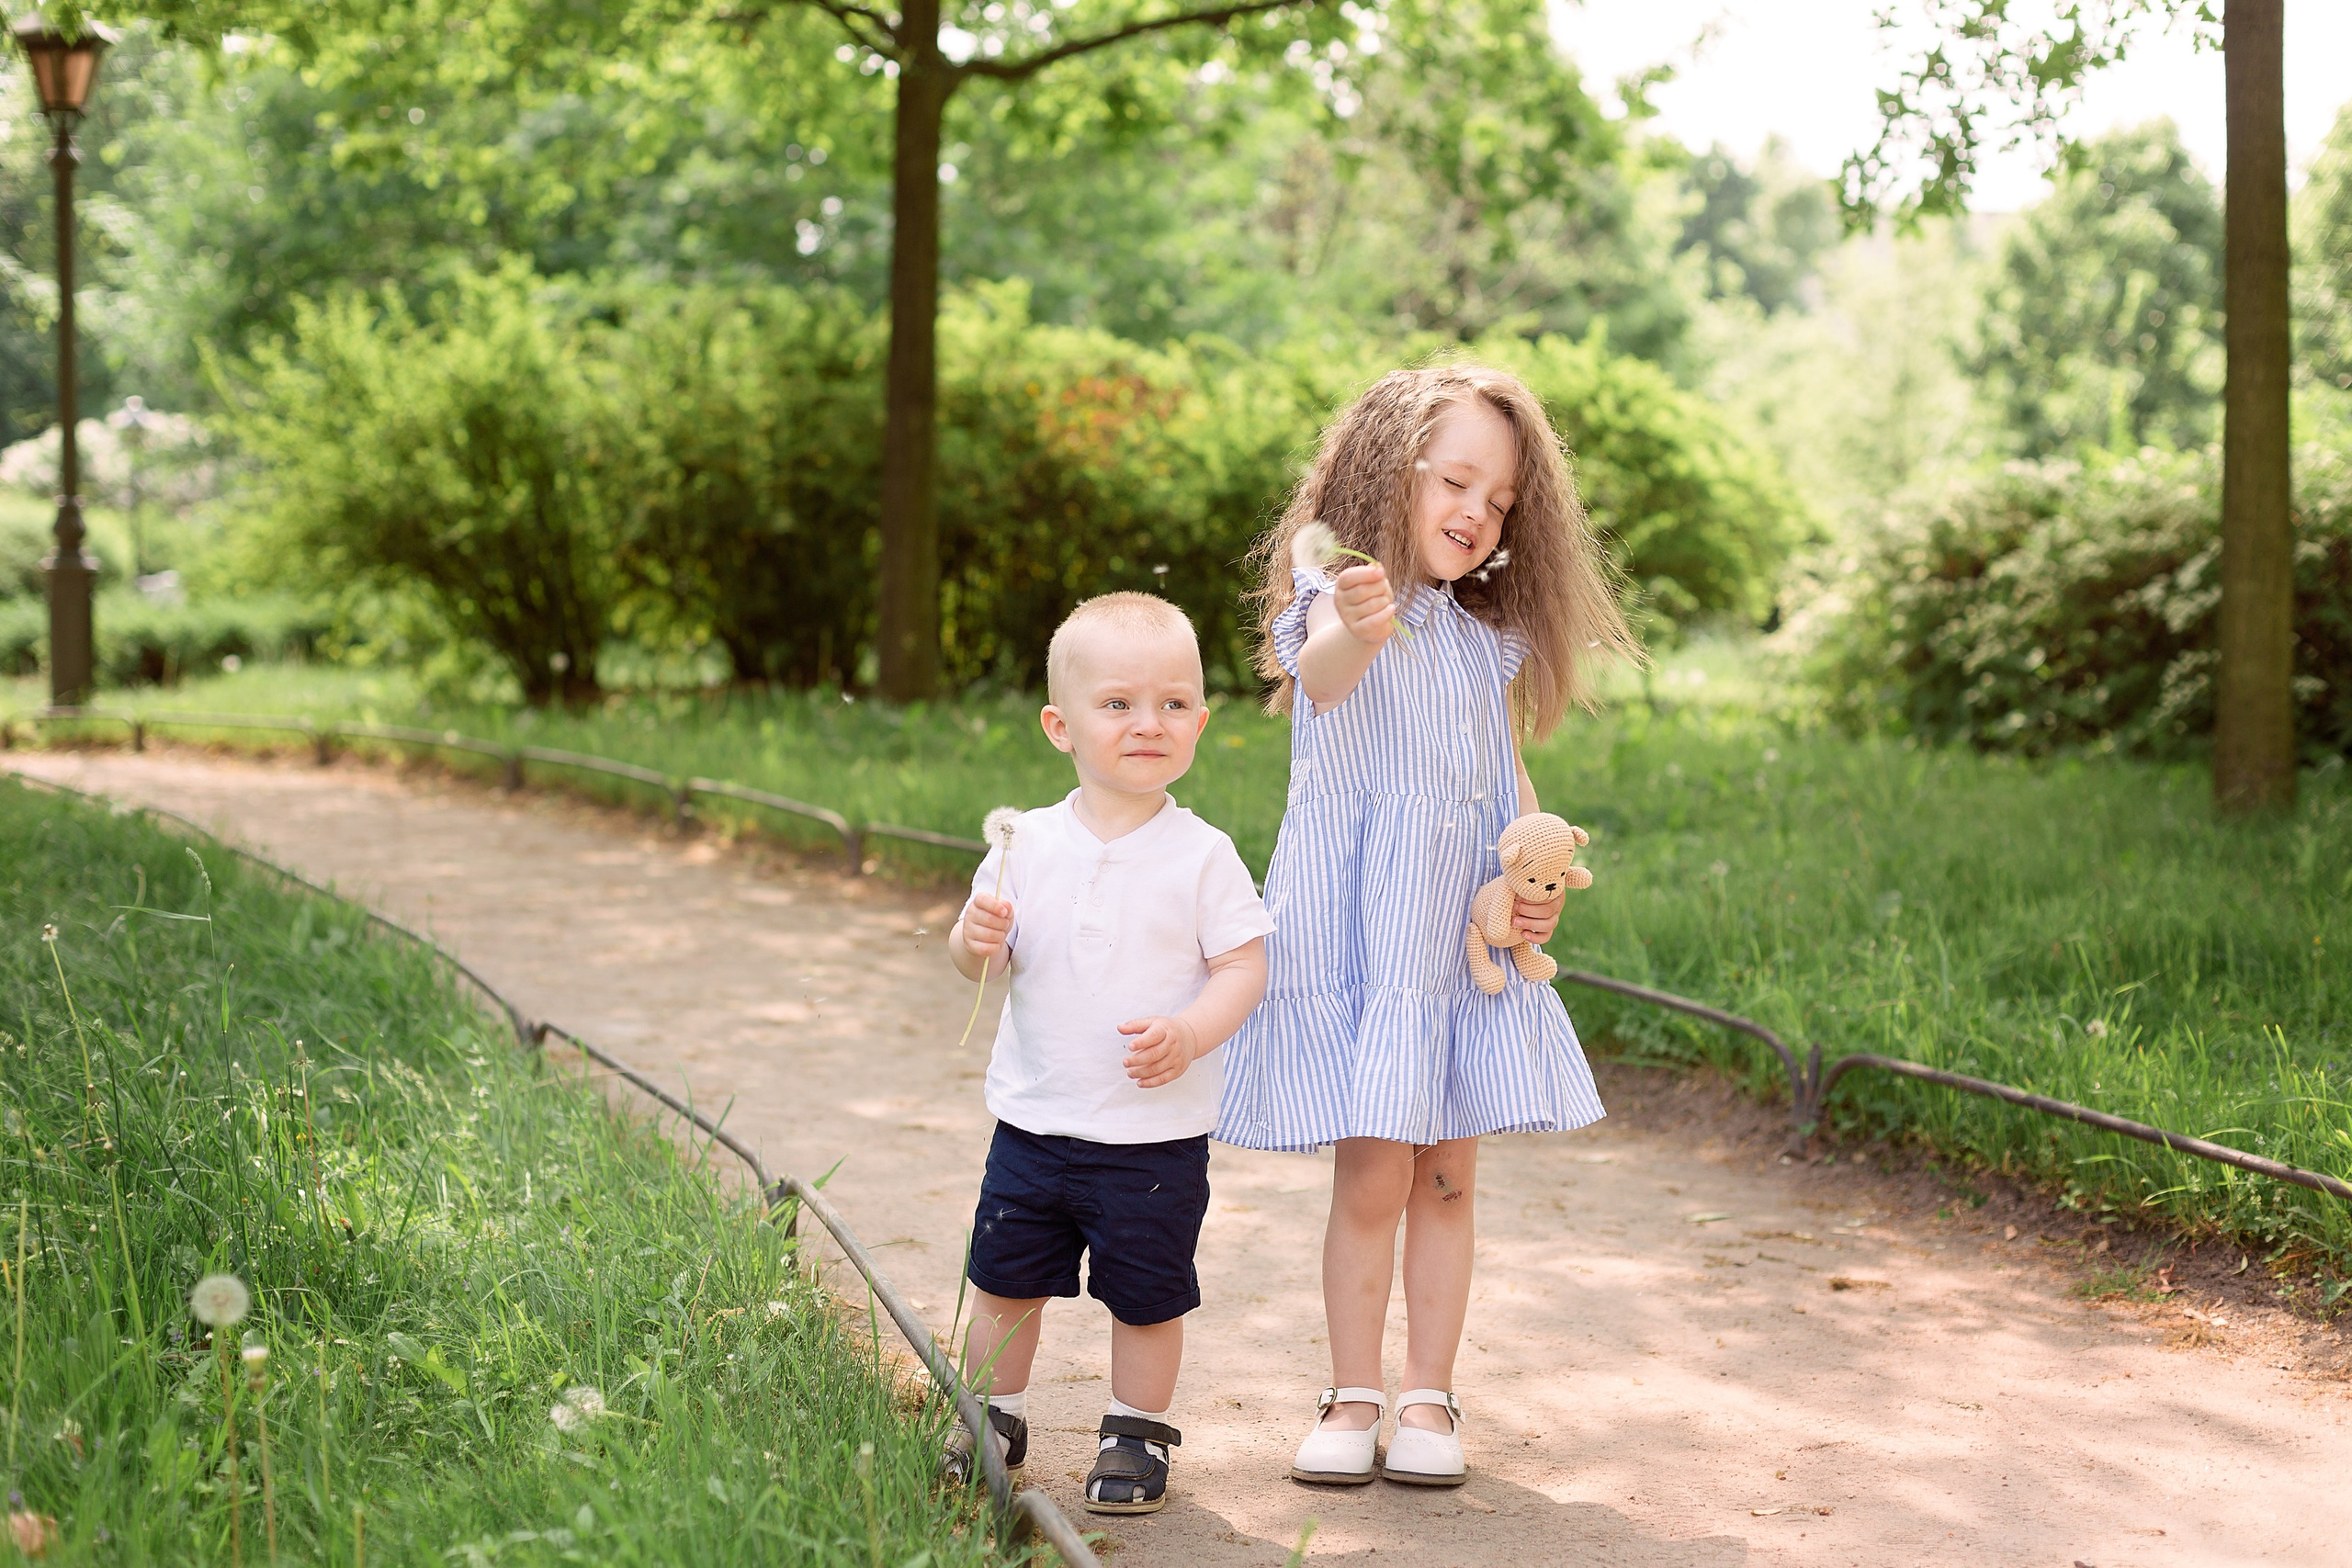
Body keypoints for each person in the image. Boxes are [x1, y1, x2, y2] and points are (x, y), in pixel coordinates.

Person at [1216, 364, 1639, 1488]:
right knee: (1372, 1175)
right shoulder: (1337, 608)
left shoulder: (1479, 642)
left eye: (1499, 502)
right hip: (1368, 936)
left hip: (1457, 941)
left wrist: (1531, 877)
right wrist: (1359, 618)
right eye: (1455, 480)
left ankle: (1428, 1399)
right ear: (1383, 474)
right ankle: (1351, 1393)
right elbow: (1323, 680)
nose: (1475, 511)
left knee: (1447, 1173)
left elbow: (1509, 793)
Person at [944, 592, 1273, 1516]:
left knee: (1146, 1297)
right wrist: (977, 937)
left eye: (1173, 705)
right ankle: (992, 1414)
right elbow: (978, 960)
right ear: (1061, 725)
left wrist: (1192, 1033)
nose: (1148, 724)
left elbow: (1244, 965)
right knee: (1004, 1284)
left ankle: (1135, 1430)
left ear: (1201, 725)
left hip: (1152, 1138)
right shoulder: (1025, 842)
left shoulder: (1201, 854)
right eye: (1118, 704)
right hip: (1035, 1121)